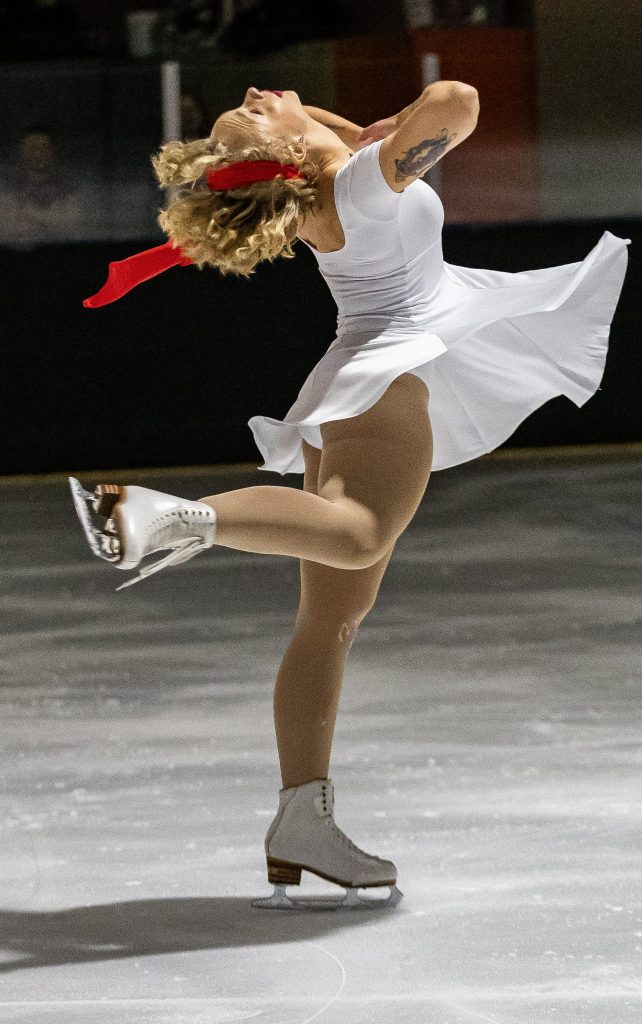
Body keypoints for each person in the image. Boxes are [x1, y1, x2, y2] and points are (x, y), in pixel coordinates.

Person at [70, 84, 630, 910]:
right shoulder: (363, 182)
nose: (259, 93)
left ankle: (304, 817)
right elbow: (462, 100)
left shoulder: (327, 184)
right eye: (256, 114)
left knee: (329, 622)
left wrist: (332, 128)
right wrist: (379, 127)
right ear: (285, 154)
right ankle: (166, 515)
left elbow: (347, 146)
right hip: (395, 364)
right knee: (360, 533)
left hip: (363, 366)